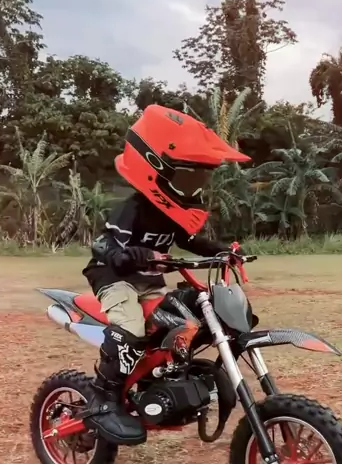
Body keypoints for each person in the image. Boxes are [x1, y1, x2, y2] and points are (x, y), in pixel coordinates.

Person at [81, 104, 251, 444]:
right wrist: (132, 255)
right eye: (187, 178)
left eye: (199, 180)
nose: (193, 187)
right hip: (115, 280)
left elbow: (190, 240)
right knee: (131, 328)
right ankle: (103, 399)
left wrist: (223, 251)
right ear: (154, 170)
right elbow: (105, 248)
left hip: (148, 282)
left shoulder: (172, 212)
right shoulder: (131, 209)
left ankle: (157, 380)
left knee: (180, 323)